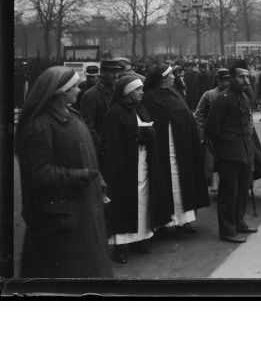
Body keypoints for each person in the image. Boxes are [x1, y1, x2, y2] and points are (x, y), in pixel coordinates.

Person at [15, 67, 113, 278]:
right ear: (61, 92)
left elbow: (87, 154)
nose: (79, 90)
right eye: (74, 87)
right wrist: (80, 176)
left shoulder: (72, 116)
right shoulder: (40, 127)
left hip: (81, 210)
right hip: (61, 218)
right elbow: (39, 173)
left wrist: (98, 178)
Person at [100, 75, 172, 263]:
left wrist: (149, 135)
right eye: (137, 90)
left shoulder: (141, 109)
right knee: (124, 205)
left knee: (143, 202)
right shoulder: (114, 113)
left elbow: (151, 131)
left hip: (143, 165)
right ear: (126, 92)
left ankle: (140, 239)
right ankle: (121, 246)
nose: (141, 93)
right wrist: (136, 136)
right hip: (124, 169)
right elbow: (110, 144)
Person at [142, 64, 210, 235]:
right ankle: (164, 222)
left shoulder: (175, 94)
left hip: (181, 148)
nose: (174, 77)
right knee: (163, 183)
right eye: (170, 75)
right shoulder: (148, 99)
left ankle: (184, 220)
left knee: (183, 183)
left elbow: (186, 117)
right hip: (162, 149)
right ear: (162, 79)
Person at [205, 60, 257, 243]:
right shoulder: (222, 99)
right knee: (229, 193)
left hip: (244, 151)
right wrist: (224, 148)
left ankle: (239, 221)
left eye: (247, 77)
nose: (246, 80)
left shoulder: (243, 97)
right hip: (228, 154)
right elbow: (212, 129)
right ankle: (227, 230)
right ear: (232, 78)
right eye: (242, 77)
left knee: (243, 188)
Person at [195, 68, 231, 192]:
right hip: (212, 135)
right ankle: (215, 186)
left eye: (229, 80)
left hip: (229, 135)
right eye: (225, 80)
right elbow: (199, 115)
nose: (228, 83)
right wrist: (201, 134)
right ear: (218, 81)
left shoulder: (234, 94)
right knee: (212, 162)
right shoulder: (209, 95)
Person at [80, 59, 123, 154]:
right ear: (102, 72)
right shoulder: (91, 95)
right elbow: (88, 125)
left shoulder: (118, 92)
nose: (116, 75)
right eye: (111, 72)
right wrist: (102, 144)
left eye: (117, 72)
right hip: (103, 149)